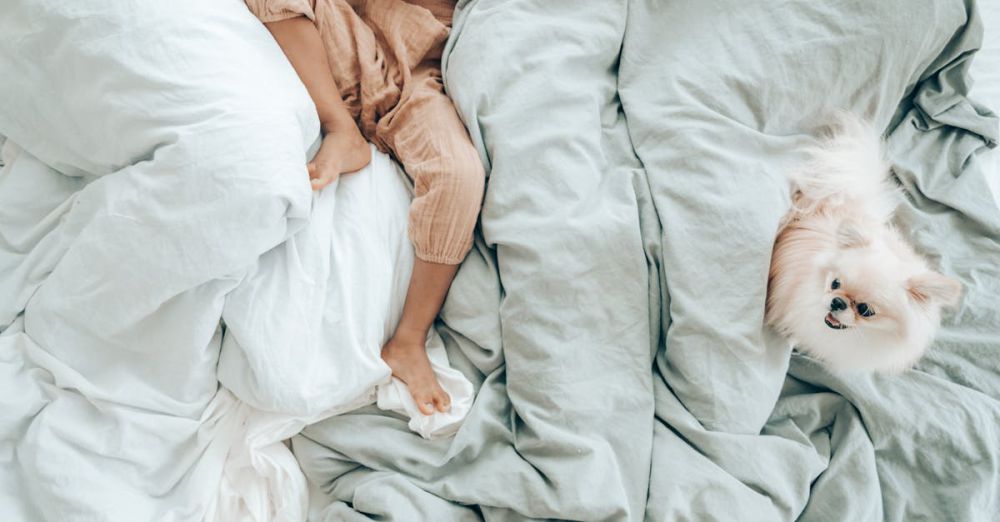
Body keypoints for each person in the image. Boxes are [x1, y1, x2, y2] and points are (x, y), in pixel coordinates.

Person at [246, 0, 485, 415]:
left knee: (459, 176)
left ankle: (408, 340)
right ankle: (341, 128)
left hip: (419, 70)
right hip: (347, 30)